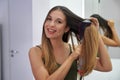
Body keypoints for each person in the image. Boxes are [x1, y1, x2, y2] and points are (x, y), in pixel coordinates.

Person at [29, 6, 112, 80]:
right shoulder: (36, 52)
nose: (51, 24)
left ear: (66, 28)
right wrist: (72, 57)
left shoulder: (75, 50)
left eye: (59, 22)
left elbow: (106, 67)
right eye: (49, 19)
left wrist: (96, 33)